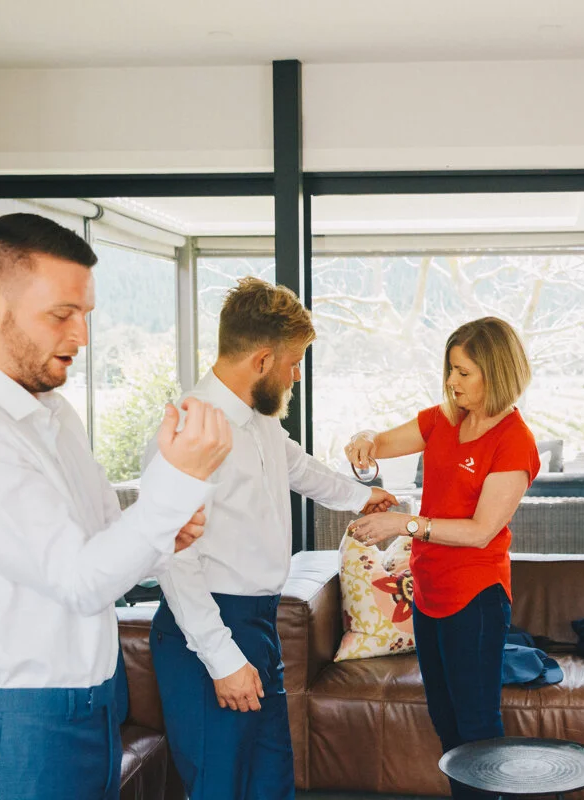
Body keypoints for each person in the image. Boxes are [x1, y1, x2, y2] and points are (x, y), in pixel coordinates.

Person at [0, 213, 230, 800]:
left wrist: (159, 537)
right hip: (12, 733)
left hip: (91, 712)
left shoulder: (52, 413)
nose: (82, 336)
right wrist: (179, 479)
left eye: (86, 314)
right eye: (61, 314)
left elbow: (99, 545)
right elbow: (79, 581)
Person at [146, 277, 398, 800]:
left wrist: (362, 498)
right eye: (293, 363)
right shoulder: (190, 429)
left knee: (272, 785)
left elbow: (300, 469)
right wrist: (223, 660)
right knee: (221, 790)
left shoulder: (257, 421)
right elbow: (173, 561)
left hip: (259, 625)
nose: (295, 375)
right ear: (262, 361)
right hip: (209, 632)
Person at [344, 317, 540, 800]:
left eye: (464, 372)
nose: (452, 381)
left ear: (497, 372)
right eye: (450, 369)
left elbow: (480, 531)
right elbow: (381, 443)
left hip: (475, 598)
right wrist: (365, 438)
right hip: (428, 593)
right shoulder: (443, 419)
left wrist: (405, 524)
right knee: (445, 721)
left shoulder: (514, 441)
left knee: (476, 727)